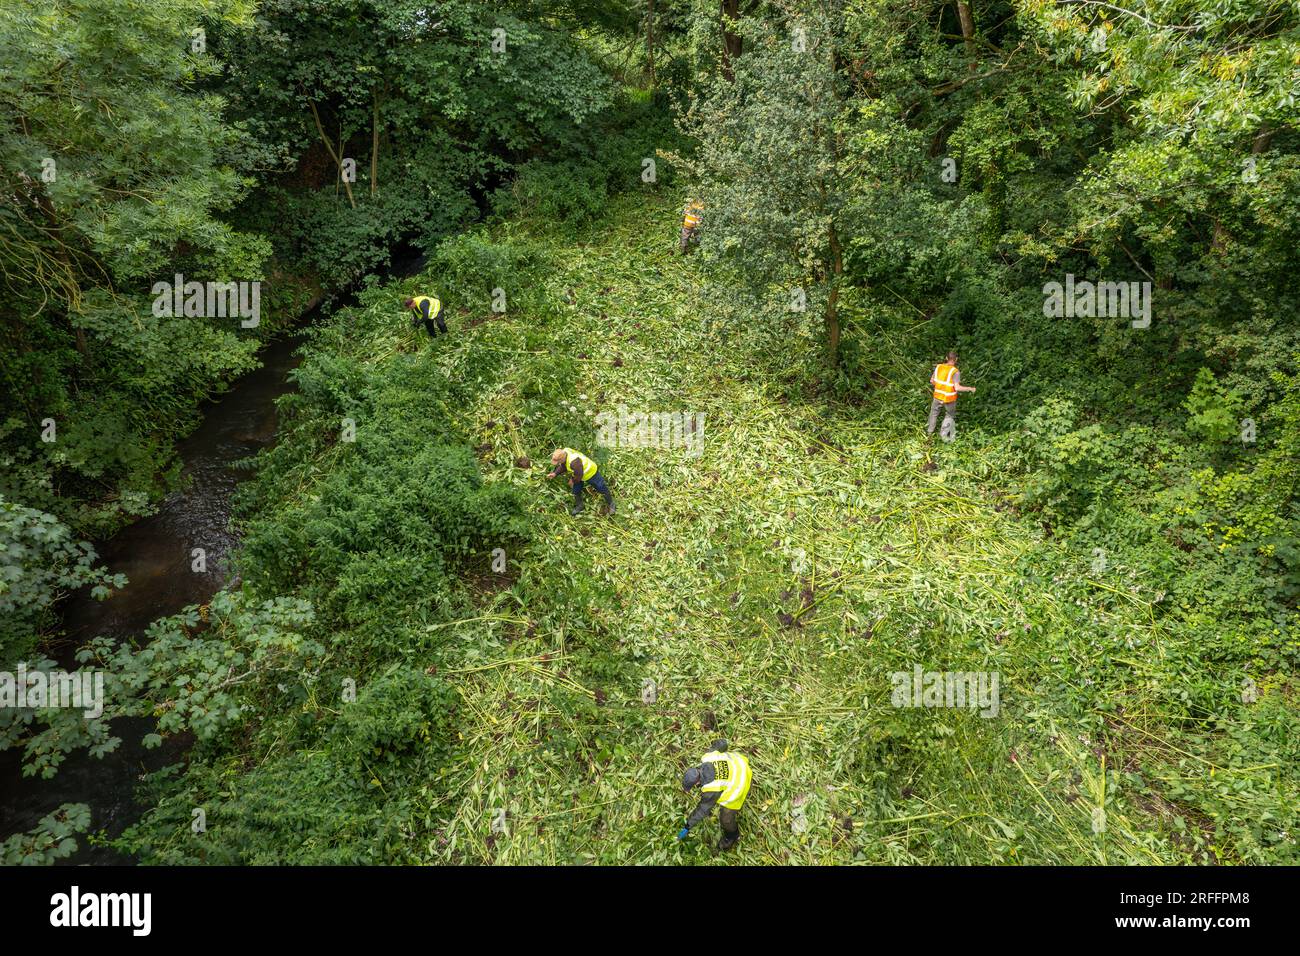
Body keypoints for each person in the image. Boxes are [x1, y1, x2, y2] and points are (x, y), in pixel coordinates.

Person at [677, 740, 752, 850]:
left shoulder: (711, 788)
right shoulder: (708, 757)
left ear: (697, 783)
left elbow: (702, 810)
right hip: (741, 763)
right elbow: (722, 744)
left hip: (742, 782)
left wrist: (688, 826)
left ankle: (732, 836)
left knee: (726, 819)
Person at [548, 447, 615, 516]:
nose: (558, 463)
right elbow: (563, 465)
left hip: (591, 472)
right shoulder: (565, 451)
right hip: (578, 473)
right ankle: (580, 505)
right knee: (576, 490)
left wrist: (572, 481)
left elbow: (579, 475)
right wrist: (555, 473)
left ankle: (611, 503)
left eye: (558, 462)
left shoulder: (574, 462)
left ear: (562, 459)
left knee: (601, 487)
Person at [926, 350, 975, 442]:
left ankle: (929, 433)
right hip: (949, 399)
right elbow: (957, 388)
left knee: (934, 413)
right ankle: (943, 436)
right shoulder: (955, 372)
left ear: (946, 358)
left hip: (937, 396)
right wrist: (970, 388)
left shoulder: (939, 367)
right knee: (949, 415)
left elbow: (932, 381)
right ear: (956, 359)